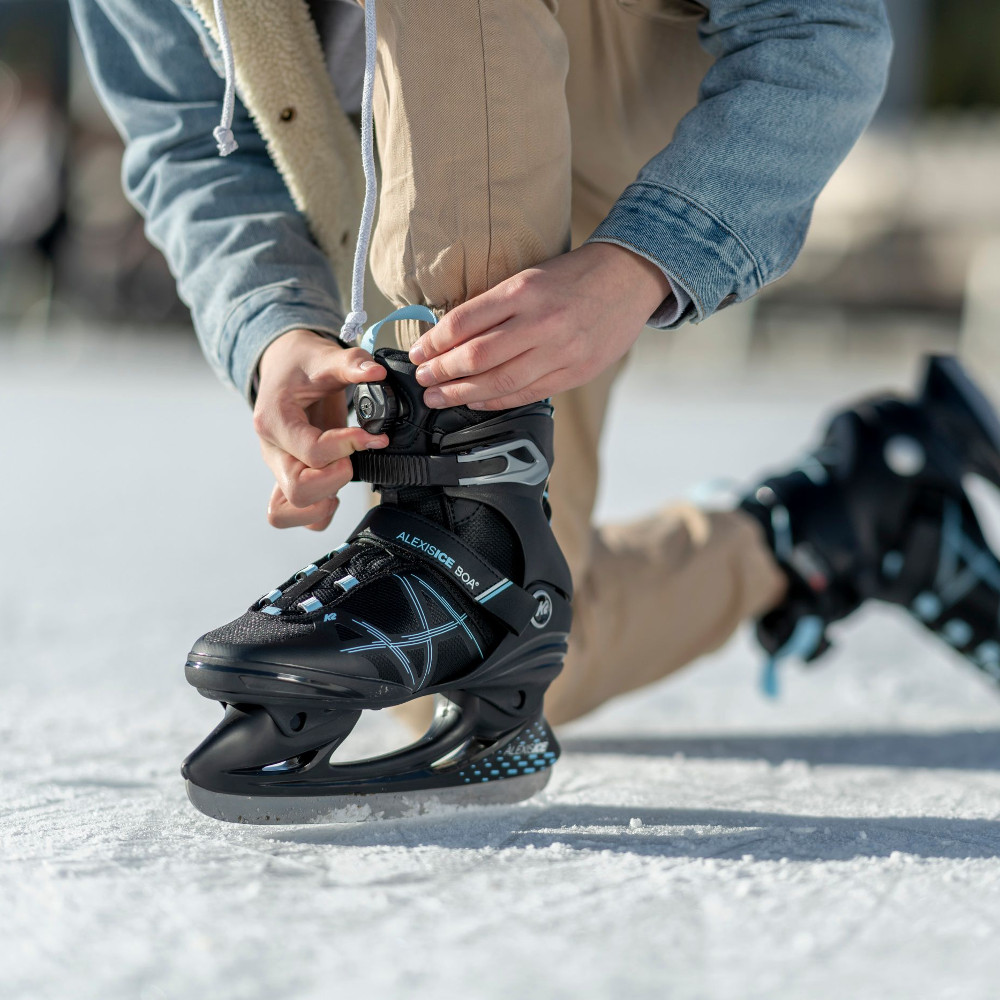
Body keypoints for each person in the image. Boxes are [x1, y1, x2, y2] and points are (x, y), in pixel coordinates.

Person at [71, 0, 938, 737]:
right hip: (397, 187)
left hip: (638, 112)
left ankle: (456, 532)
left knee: (474, 612)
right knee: (489, 669)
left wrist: (646, 260)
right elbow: (188, 137)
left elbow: (822, 26)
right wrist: (274, 332)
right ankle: (838, 517)